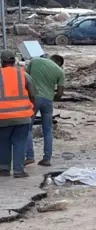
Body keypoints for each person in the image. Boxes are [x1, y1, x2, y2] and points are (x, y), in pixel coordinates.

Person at [24, 54, 65, 167]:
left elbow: (25, 78)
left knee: (27, 127)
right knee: (47, 130)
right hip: (48, 101)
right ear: (59, 64)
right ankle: (47, 159)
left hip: (33, 98)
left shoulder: (35, 60)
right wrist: (52, 98)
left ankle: (30, 156)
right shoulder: (60, 72)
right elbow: (60, 93)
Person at [0, 50, 35, 178]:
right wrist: (31, 111)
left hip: (2, 117)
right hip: (22, 116)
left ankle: (3, 169)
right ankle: (18, 170)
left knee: (3, 142)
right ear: (14, 61)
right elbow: (32, 95)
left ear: (2, 62)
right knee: (20, 142)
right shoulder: (23, 75)